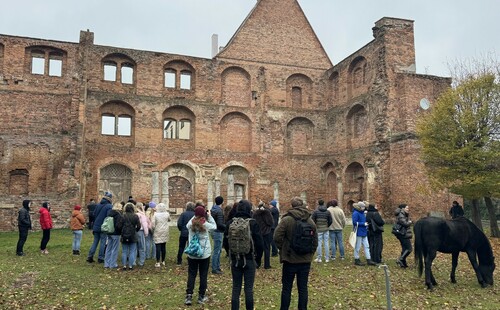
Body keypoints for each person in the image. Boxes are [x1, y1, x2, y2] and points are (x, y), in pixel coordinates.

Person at [273, 197, 318, 310]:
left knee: (287, 288)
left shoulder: (287, 220)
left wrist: (282, 248)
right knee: (303, 288)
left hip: (289, 259)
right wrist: (310, 253)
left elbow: (276, 236)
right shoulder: (310, 220)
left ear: (292, 205)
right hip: (305, 260)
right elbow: (315, 241)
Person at [224, 199, 264, 310]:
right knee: (248, 289)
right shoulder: (253, 222)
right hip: (249, 258)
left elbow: (225, 242)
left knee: (236, 288)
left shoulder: (231, 223)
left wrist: (230, 254)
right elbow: (260, 243)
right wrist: (258, 259)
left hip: (235, 259)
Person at [184, 205, 216, 306]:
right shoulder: (205, 224)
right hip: (204, 254)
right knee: (203, 275)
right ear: (204, 214)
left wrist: (195, 216)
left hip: (193, 253)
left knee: (192, 274)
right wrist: (209, 216)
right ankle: (201, 296)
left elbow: (186, 225)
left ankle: (189, 295)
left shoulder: (191, 224)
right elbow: (214, 226)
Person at [87, 192, 113, 263]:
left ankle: (90, 256)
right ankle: (100, 258)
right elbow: (109, 216)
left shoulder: (98, 205)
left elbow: (94, 214)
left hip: (96, 226)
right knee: (103, 242)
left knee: (95, 242)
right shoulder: (109, 206)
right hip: (103, 227)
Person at [352, 201, 376, 266]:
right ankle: (356, 259)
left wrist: (366, 225)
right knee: (358, 246)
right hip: (358, 232)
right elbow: (355, 223)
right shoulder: (356, 213)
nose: (364, 208)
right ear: (359, 207)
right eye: (363, 207)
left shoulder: (362, 213)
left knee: (366, 246)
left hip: (364, 231)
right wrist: (363, 224)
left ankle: (369, 259)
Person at [252, 201, 273, 269]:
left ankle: (257, 263)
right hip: (266, 232)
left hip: (258, 232)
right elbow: (270, 222)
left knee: (257, 248)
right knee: (267, 248)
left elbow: (253, 222)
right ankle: (267, 264)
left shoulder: (255, 213)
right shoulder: (267, 212)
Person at [121, 202, 141, 270]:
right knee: (132, 251)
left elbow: (119, 225)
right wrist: (135, 230)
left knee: (124, 251)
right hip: (133, 234)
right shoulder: (135, 216)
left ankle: (124, 265)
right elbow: (139, 226)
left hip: (124, 234)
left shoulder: (123, 216)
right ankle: (130, 265)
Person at [312, 199, 332, 263]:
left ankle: (319, 258)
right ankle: (327, 258)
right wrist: (327, 226)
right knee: (326, 243)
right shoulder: (327, 212)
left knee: (319, 243)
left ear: (318, 203)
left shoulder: (315, 212)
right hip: (326, 229)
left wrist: (316, 226)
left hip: (318, 229)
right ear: (324, 203)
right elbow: (330, 221)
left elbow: (313, 220)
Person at [103, 202, 123, 269]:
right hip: (116, 233)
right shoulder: (118, 215)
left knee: (108, 248)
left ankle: (106, 263)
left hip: (109, 232)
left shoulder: (110, 214)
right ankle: (113, 264)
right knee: (115, 249)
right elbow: (118, 226)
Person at [210, 196, 226, 274]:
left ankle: (217, 266)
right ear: (222, 202)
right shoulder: (219, 211)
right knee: (217, 250)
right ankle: (215, 268)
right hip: (218, 231)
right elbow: (219, 223)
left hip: (213, 230)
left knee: (218, 249)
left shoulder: (213, 209)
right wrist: (226, 227)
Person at [153, 202, 171, 268]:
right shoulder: (167, 214)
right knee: (163, 246)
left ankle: (158, 262)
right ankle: (163, 261)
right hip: (165, 231)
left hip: (158, 231)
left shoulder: (155, 215)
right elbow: (169, 220)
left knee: (158, 246)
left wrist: (153, 229)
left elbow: (153, 223)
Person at [394, 204, 412, 268]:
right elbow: (405, 224)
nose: (408, 209)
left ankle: (403, 264)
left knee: (404, 249)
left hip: (402, 233)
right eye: (407, 208)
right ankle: (400, 259)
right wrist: (410, 222)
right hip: (402, 234)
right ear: (403, 209)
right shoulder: (401, 215)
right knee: (409, 248)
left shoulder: (403, 214)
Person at [136, 202, 150, 267]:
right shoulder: (142, 215)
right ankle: (141, 261)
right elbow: (144, 224)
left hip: (134, 231)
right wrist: (146, 233)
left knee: (134, 247)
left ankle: (133, 261)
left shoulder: (134, 213)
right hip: (140, 231)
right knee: (141, 247)